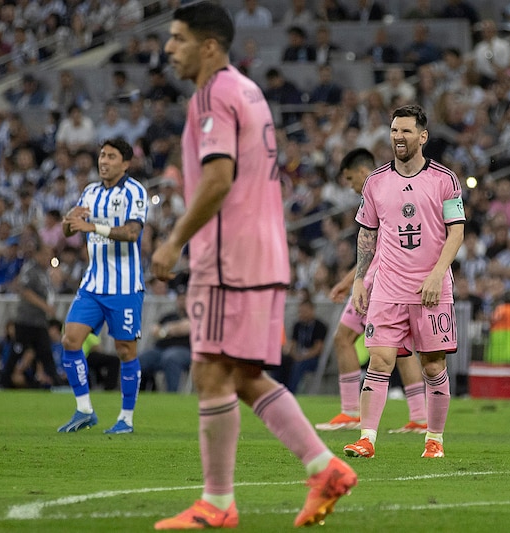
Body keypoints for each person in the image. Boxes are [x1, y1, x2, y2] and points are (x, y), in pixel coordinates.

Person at [151, 4, 356, 528]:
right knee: (241, 373)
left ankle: (217, 504)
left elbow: (218, 178)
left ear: (209, 46)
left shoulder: (213, 94)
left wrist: (174, 241)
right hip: (263, 251)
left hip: (228, 257)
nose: (168, 49)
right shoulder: (248, 90)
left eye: (177, 39)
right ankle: (323, 467)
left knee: (210, 370)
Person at [343, 104, 465, 460]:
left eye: (406, 131)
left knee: (432, 366)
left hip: (431, 288)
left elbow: (456, 233)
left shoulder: (444, 179)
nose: (399, 137)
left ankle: (434, 439)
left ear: (422, 136)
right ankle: (367, 438)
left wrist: (437, 273)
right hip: (388, 287)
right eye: (395, 130)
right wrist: (360, 280)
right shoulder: (376, 181)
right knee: (380, 360)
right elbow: (366, 235)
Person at [316, 148, 428, 433]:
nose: (351, 185)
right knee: (391, 345)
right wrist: (347, 280)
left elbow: (378, 247)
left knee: (380, 344)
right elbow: (373, 250)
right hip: (373, 279)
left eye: (351, 178)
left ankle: (356, 412)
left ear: (363, 172)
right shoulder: (386, 190)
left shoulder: (380, 192)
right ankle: (415, 416)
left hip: (379, 283)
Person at [57, 137, 148, 434]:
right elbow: (70, 227)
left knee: (125, 350)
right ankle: (84, 409)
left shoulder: (135, 191)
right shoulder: (90, 191)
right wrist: (69, 222)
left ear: (125, 162)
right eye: (101, 156)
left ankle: (126, 418)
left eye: (110, 156)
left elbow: (132, 233)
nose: (103, 161)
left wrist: (92, 226)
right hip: (93, 284)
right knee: (70, 340)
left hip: (125, 286)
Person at [5, 243, 60, 388]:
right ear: (38, 254)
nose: (49, 257)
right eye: (46, 254)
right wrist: (45, 306)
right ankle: (3, 380)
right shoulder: (30, 269)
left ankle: (55, 381)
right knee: (17, 350)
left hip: (40, 321)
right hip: (26, 319)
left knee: (45, 351)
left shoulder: (45, 272)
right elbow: (26, 291)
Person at [138, 286, 191, 393]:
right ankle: (141, 393)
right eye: (180, 298)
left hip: (184, 351)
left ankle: (172, 394)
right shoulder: (169, 316)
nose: (182, 301)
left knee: (171, 358)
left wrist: (165, 330)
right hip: (161, 350)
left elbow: (187, 327)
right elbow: (155, 331)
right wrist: (171, 329)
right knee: (142, 358)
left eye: (185, 298)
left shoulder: (194, 316)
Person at [279, 297, 328, 394]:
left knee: (299, 365)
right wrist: (294, 355)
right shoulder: (297, 325)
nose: (302, 314)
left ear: (312, 310)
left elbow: (318, 349)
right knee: (282, 361)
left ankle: (291, 392)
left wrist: (302, 357)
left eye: (304, 311)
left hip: (313, 359)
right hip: (298, 356)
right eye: (300, 311)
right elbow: (293, 344)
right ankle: (278, 390)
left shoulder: (320, 326)